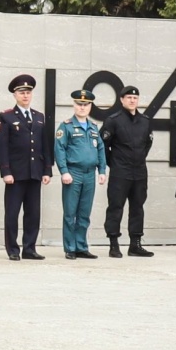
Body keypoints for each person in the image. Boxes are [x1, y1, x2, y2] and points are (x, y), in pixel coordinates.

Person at [0, 73, 51, 260]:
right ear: (15, 95)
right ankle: (13, 249)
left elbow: (45, 145)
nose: (25, 95)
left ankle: (29, 248)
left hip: (34, 173)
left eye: (28, 92)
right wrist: (5, 171)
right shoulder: (7, 116)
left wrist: (47, 170)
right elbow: (2, 146)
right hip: (15, 174)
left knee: (33, 213)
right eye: (21, 92)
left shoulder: (39, 117)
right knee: (12, 214)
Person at [101, 86, 155, 257]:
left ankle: (135, 244)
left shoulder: (145, 120)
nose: (132, 100)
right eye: (129, 97)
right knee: (116, 207)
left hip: (139, 172)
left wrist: (138, 160)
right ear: (122, 100)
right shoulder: (113, 120)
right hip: (120, 172)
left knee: (138, 207)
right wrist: (114, 164)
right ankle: (113, 244)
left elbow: (147, 144)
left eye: (135, 98)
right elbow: (104, 146)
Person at [54, 89, 106, 259]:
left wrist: (102, 170)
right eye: (79, 104)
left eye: (86, 104)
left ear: (90, 106)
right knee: (70, 213)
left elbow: (100, 149)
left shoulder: (93, 127)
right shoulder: (66, 126)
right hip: (73, 173)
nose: (82, 107)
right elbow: (59, 149)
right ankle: (70, 247)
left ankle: (81, 246)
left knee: (84, 213)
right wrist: (64, 172)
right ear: (73, 105)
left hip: (90, 174)